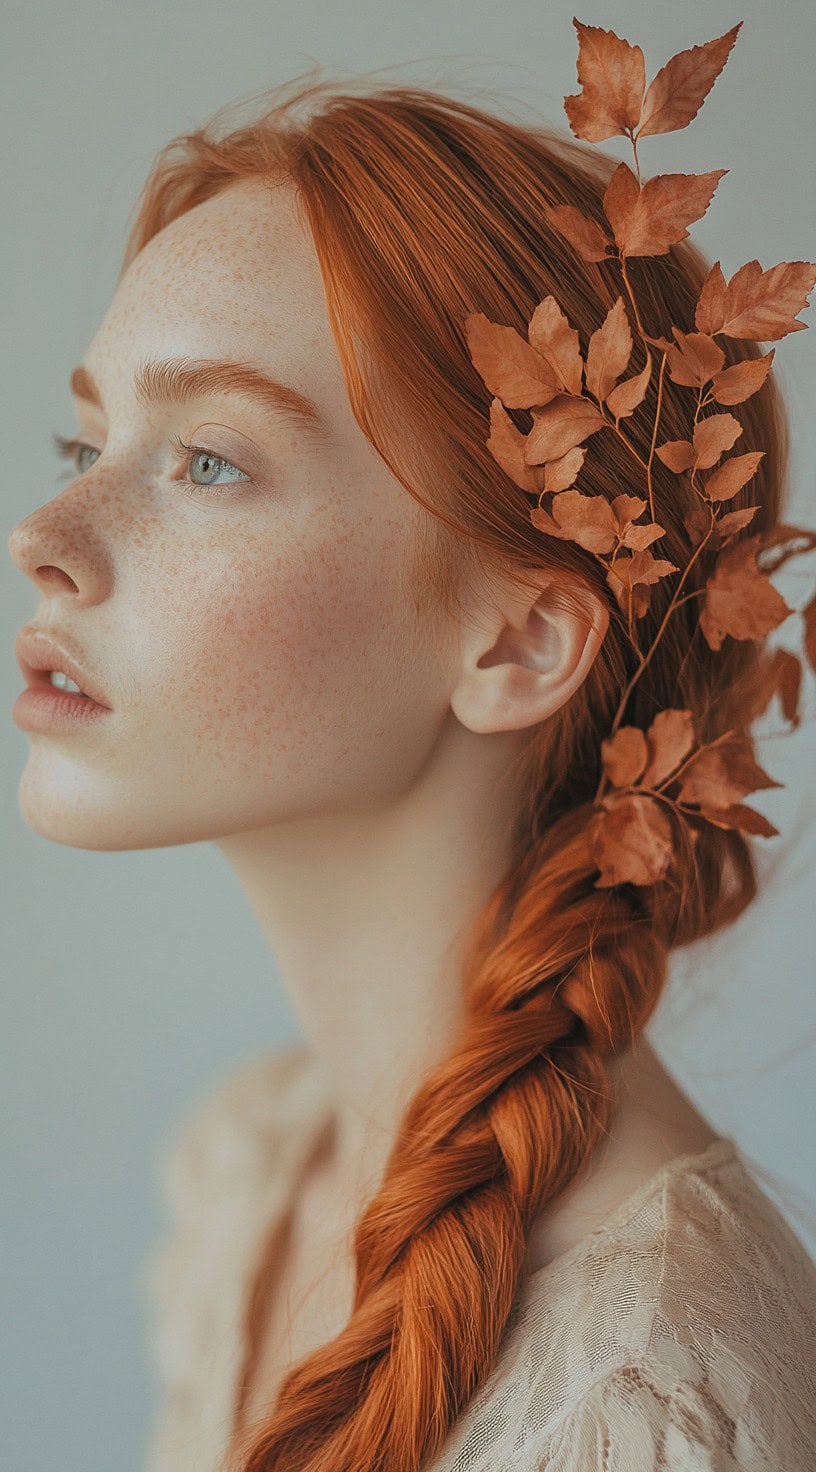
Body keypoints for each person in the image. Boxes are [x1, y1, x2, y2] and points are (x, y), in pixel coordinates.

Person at [8, 23, 816, 1472]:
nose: (43, 542)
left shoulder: (657, 1395)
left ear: (515, 646)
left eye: (208, 459)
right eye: (89, 447)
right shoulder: (254, 1169)